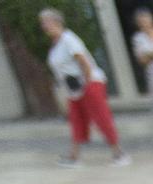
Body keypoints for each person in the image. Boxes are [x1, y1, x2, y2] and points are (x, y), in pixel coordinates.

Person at [39, 9, 127, 167]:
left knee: (101, 117)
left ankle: (119, 153)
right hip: (73, 88)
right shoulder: (56, 43)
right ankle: (74, 156)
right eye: (43, 23)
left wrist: (85, 84)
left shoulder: (68, 39)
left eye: (46, 22)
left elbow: (83, 61)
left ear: (56, 22)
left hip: (89, 83)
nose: (44, 26)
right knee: (76, 119)